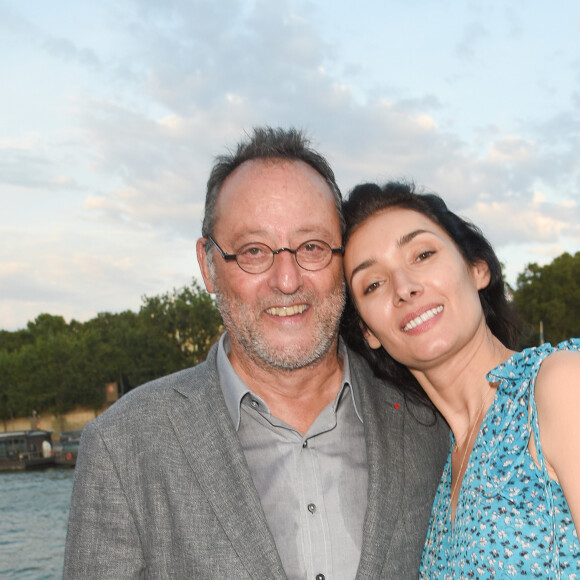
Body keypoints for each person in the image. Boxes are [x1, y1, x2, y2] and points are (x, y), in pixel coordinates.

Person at [63, 129, 448, 579]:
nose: (287, 279)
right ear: (208, 266)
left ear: (341, 259)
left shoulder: (429, 422)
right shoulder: (123, 447)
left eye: (311, 247)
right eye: (253, 252)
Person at [341, 180, 580, 578]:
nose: (404, 288)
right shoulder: (443, 469)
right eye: (374, 284)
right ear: (368, 333)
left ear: (477, 268)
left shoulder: (557, 385)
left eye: (422, 254)